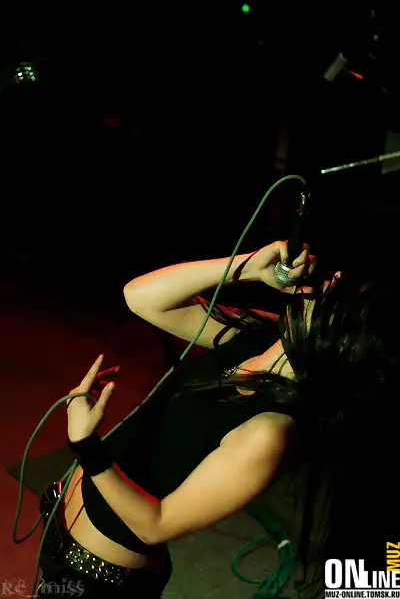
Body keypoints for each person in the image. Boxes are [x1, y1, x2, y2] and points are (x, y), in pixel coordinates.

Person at [37, 241, 399, 598]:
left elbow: (155, 524)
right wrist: (248, 266)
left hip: (96, 576)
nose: (332, 279)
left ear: (342, 341)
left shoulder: (269, 431)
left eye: (338, 295)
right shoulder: (260, 334)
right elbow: (141, 297)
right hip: (61, 522)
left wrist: (88, 448)